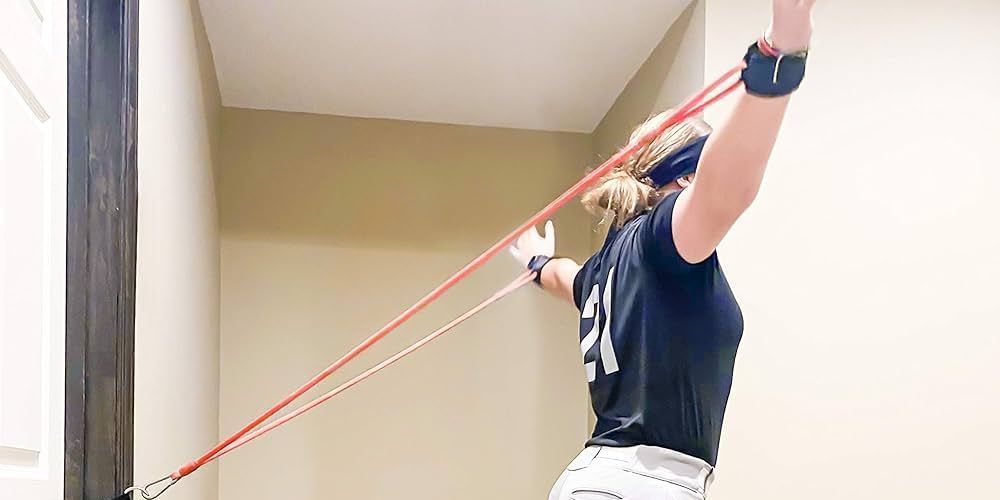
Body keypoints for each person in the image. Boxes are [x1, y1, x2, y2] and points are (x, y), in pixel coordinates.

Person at [508, 1, 816, 498]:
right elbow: (727, 188)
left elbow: (566, 278)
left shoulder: (609, 265)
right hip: (642, 483)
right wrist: (784, 53)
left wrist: (536, 263)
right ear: (687, 177)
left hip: (604, 480)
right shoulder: (663, 240)